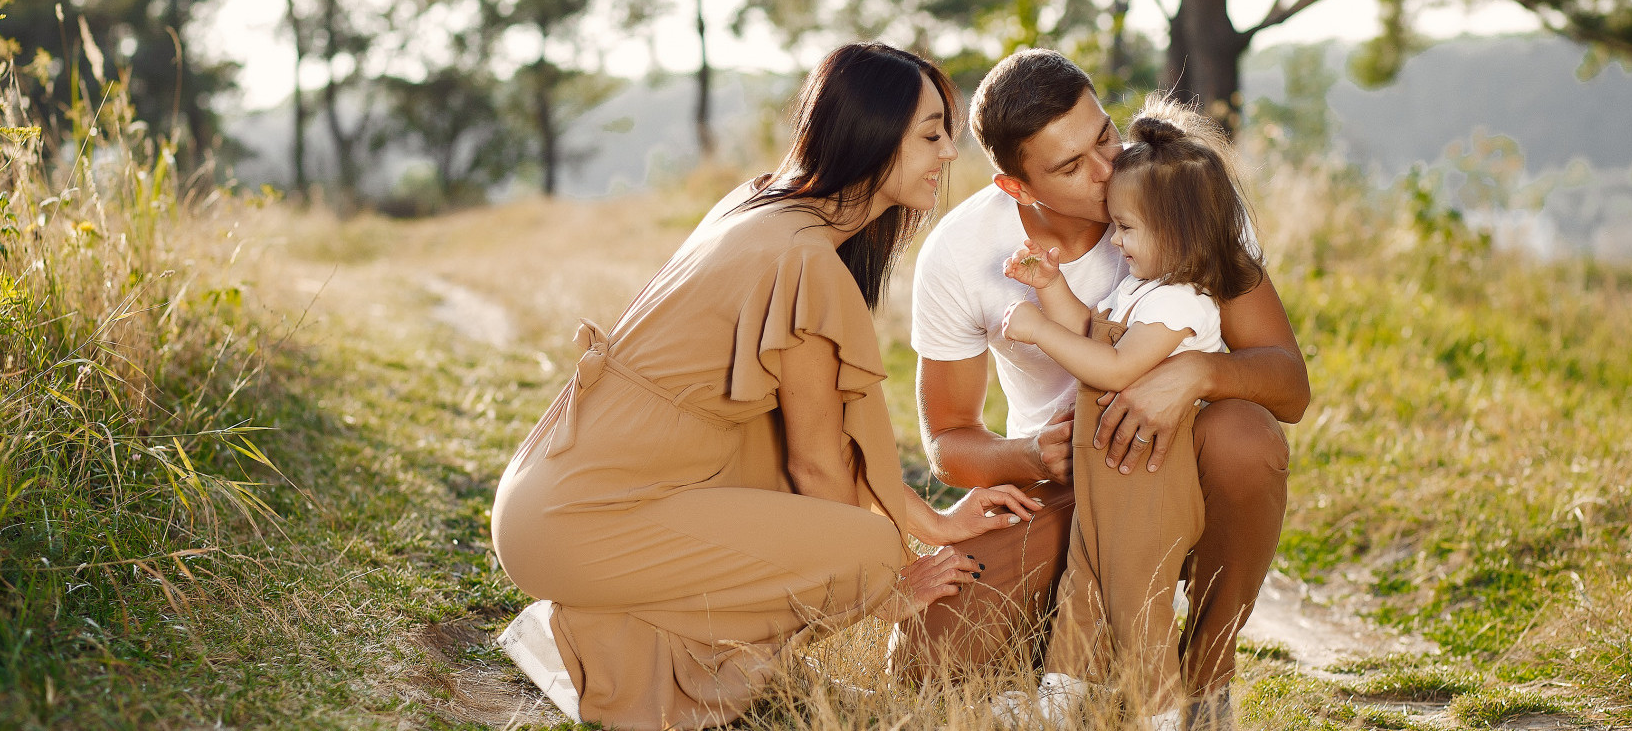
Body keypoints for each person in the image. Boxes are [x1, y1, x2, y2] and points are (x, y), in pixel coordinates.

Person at [489, 43, 1042, 731]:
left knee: (771, 461)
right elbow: (819, 469)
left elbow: (820, 446)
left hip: (552, 496)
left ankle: (676, 655)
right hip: (581, 520)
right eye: (931, 135)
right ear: (871, 135)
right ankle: (589, 644)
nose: (948, 154)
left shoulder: (760, 203)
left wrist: (932, 523)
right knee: (861, 551)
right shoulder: (803, 261)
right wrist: (885, 581)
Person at [903, 49, 1309, 730]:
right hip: (1066, 482)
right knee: (926, 657)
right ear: (1018, 188)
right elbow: (948, 442)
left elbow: (1289, 386)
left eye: (1104, 136)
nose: (1106, 170)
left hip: (1184, 464)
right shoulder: (963, 251)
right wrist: (1034, 456)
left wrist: (1200, 374)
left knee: (1246, 438)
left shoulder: (1180, 198)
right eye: (1071, 166)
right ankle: (1065, 649)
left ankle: (1206, 679)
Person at [995, 97, 1266, 728]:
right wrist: (1048, 287)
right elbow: (1091, 338)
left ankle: (1163, 712)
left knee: (1133, 597)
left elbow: (1112, 370)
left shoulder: (1184, 304)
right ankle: (1061, 704)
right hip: (1109, 476)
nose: (1113, 239)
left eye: (1126, 228)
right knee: (1083, 587)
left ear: (1177, 234)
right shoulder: (1140, 288)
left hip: (1149, 477)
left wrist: (1035, 329)